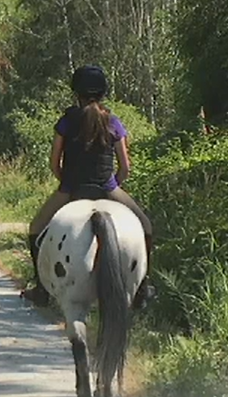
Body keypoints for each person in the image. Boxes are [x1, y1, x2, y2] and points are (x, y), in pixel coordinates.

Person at [22, 65, 155, 308]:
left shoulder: (66, 122)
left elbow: (54, 163)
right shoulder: (114, 122)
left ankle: (41, 289)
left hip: (72, 188)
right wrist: (114, 184)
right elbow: (125, 167)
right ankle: (142, 288)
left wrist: (66, 181)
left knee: (35, 228)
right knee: (145, 225)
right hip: (107, 188)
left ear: (76, 93)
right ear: (103, 92)